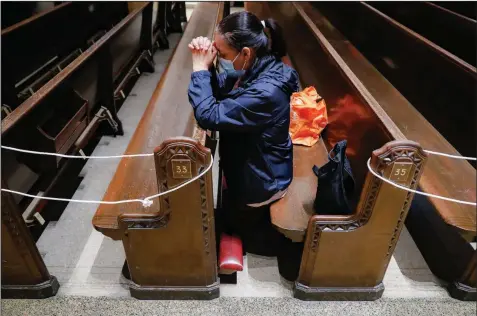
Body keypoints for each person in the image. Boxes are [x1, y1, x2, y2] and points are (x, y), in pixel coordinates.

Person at [188, 11, 299, 256]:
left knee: (229, 226)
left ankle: (260, 238)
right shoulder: (263, 65)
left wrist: (199, 69)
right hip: (261, 165)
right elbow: (228, 87)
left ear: (246, 53)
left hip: (262, 181)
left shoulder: (266, 92)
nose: (222, 58)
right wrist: (210, 61)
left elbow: (209, 115)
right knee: (227, 213)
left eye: (224, 54)